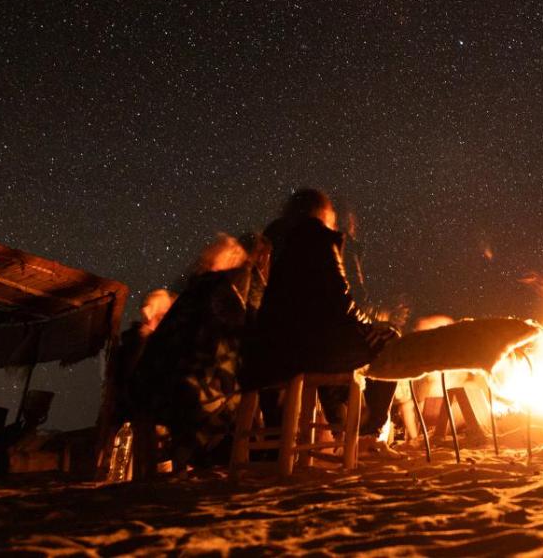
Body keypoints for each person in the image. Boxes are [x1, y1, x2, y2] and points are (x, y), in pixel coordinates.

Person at [240, 189, 400, 441]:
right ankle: (368, 428)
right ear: (322, 212)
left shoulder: (272, 241)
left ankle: (335, 426)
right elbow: (341, 303)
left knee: (333, 347)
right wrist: (371, 323)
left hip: (270, 351)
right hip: (309, 350)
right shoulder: (318, 237)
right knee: (390, 340)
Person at [128, 233, 269, 471]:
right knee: (242, 390)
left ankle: (190, 455)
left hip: (150, 386)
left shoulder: (192, 292)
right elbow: (242, 338)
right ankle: (223, 455)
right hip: (189, 389)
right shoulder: (227, 290)